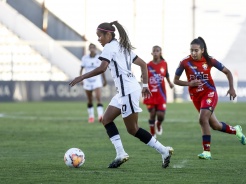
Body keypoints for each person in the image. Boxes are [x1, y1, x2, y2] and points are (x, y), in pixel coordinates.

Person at [70, 21, 173, 168]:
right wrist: (144, 85)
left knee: (133, 129)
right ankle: (120, 153)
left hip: (128, 91)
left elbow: (102, 68)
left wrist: (82, 77)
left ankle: (164, 151)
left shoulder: (109, 47)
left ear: (108, 34)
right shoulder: (122, 47)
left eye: (99, 36)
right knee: (106, 119)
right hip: (125, 91)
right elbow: (144, 64)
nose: (98, 39)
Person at [173, 37, 246, 160]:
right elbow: (175, 80)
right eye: (191, 50)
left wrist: (232, 88)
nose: (193, 53)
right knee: (215, 125)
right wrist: (189, 84)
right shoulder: (184, 62)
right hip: (195, 97)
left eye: (196, 50)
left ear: (202, 50)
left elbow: (227, 72)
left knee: (202, 119)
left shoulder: (210, 60)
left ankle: (206, 152)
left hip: (209, 93)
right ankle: (236, 130)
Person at [143, 46, 174, 137]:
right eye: (154, 51)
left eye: (157, 51)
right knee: (152, 113)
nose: (156, 53)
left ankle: (158, 124)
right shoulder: (148, 65)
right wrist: (143, 80)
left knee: (160, 115)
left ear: (160, 53)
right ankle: (152, 133)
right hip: (150, 94)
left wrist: (170, 83)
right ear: (151, 53)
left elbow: (166, 74)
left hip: (161, 94)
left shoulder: (164, 64)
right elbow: (143, 76)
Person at [80, 43, 107, 123]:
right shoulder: (85, 58)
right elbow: (81, 69)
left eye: (93, 47)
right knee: (90, 99)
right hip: (87, 80)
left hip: (97, 80)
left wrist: (104, 80)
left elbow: (102, 70)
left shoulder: (99, 58)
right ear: (89, 49)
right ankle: (91, 116)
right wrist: (81, 78)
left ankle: (100, 116)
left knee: (98, 98)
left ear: (95, 49)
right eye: (90, 47)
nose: (92, 49)